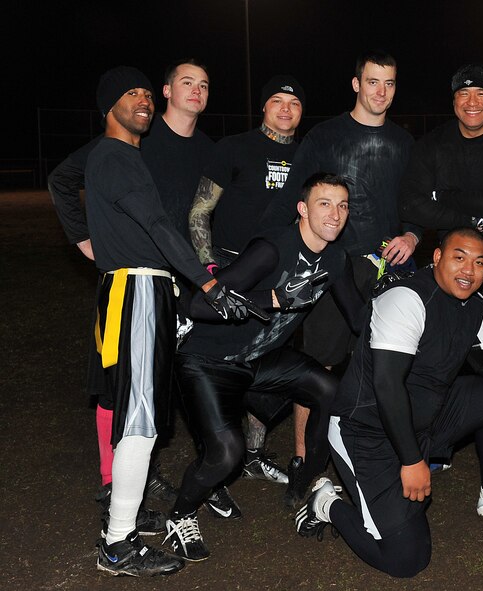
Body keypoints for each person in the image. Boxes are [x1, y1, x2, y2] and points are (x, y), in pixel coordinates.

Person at [295, 228, 483, 578]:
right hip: (366, 429)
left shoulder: (472, 304)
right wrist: (412, 461)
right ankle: (325, 502)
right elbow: (387, 385)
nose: (468, 270)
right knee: (406, 559)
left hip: (424, 416)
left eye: (479, 263)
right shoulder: (407, 298)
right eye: (459, 258)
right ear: (437, 257)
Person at [47, 58, 231, 523]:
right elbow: (63, 180)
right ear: (169, 90)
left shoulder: (208, 149)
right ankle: (116, 487)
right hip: (140, 279)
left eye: (204, 85)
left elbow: (209, 212)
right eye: (185, 82)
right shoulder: (129, 143)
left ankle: (207, 473)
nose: (195, 91)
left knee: (179, 382)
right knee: (122, 388)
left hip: (178, 279)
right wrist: (84, 237)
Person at [86, 66, 249, 576]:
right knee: (139, 420)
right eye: (128, 94)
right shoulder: (113, 156)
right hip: (136, 288)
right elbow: (157, 226)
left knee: (148, 417)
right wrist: (208, 282)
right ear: (108, 106)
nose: (141, 101)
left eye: (143, 93)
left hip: (148, 287)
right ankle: (117, 546)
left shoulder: (126, 156)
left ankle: (124, 520)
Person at [164, 173, 364, 562]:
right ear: (303, 209)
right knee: (226, 452)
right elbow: (200, 305)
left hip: (260, 359)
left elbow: (358, 318)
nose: (335, 214)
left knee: (330, 389)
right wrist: (273, 297)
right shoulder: (273, 248)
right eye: (325, 203)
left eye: (342, 206)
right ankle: (181, 514)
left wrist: (407, 298)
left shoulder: (336, 258)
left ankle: (308, 479)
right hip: (209, 361)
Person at [258, 51, 416, 504]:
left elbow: (416, 202)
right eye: (372, 82)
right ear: (355, 84)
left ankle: (378, 453)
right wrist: (263, 253)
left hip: (388, 269)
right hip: (332, 270)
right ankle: (305, 462)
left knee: (386, 364)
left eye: (389, 83)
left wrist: (413, 233)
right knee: (319, 367)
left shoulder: (404, 141)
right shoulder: (326, 135)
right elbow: (292, 198)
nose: (380, 92)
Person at [398, 63, 483, 486]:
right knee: (442, 358)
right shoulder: (433, 144)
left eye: (481, 95)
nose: (472, 103)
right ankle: (437, 441)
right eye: (463, 95)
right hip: (453, 270)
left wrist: (449, 199)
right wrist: (469, 210)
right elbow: (412, 204)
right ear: (453, 101)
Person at [189, 74, 307, 488]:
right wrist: (209, 270)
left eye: (293, 104)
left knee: (269, 367)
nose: (286, 109)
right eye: (277, 101)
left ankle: (254, 454)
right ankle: (214, 456)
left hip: (280, 280)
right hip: (230, 269)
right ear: (264, 107)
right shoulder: (235, 147)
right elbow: (200, 211)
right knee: (221, 365)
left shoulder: (309, 157)